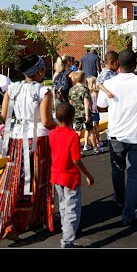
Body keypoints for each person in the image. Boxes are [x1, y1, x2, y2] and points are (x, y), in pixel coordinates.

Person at [0, 55, 56, 243]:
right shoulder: (45, 91)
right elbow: (46, 121)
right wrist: (62, 126)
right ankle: (35, 217)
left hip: (17, 140)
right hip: (38, 140)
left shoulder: (12, 89)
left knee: (13, 181)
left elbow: (4, 115)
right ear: (38, 71)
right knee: (38, 181)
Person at [97, 49, 137, 225]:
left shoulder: (110, 82)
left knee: (117, 170)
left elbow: (100, 105)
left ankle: (119, 199)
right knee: (134, 175)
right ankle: (128, 213)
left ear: (118, 63)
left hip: (115, 135)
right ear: (135, 64)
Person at [49, 103, 94, 248]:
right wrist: (88, 175)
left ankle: (67, 229)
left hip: (56, 176)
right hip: (70, 178)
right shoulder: (73, 136)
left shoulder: (51, 134)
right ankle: (67, 241)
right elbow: (76, 160)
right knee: (72, 209)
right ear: (72, 118)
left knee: (63, 205)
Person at [68, 70, 91, 148]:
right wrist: (87, 115)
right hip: (84, 112)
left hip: (75, 113)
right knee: (89, 130)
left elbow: (70, 102)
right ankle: (92, 146)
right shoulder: (85, 89)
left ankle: (77, 149)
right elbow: (86, 102)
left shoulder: (71, 90)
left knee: (78, 131)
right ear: (83, 78)